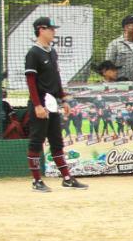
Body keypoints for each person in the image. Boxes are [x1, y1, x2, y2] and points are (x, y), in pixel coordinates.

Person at [22, 16, 87, 192]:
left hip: (52, 103)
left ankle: (67, 178)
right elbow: (31, 82)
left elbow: (56, 78)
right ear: (41, 30)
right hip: (40, 103)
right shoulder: (33, 53)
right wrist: (37, 105)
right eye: (51, 29)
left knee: (56, 141)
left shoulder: (51, 51)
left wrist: (63, 99)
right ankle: (36, 181)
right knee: (37, 141)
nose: (54, 32)